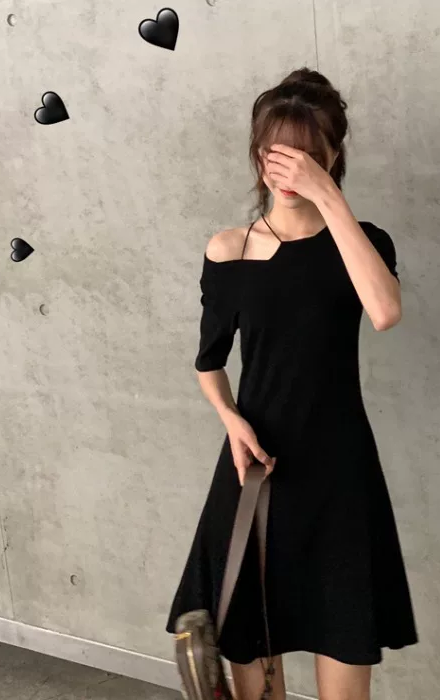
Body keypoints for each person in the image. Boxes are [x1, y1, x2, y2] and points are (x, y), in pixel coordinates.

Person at [166, 67, 418, 700]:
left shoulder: (363, 243)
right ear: (259, 154)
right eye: (279, 151)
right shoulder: (230, 249)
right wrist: (231, 420)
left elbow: (385, 312)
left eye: (309, 153)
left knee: (344, 663)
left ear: (333, 155)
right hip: (257, 471)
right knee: (256, 679)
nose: (292, 167)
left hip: (339, 475)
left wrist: (330, 199)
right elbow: (208, 363)